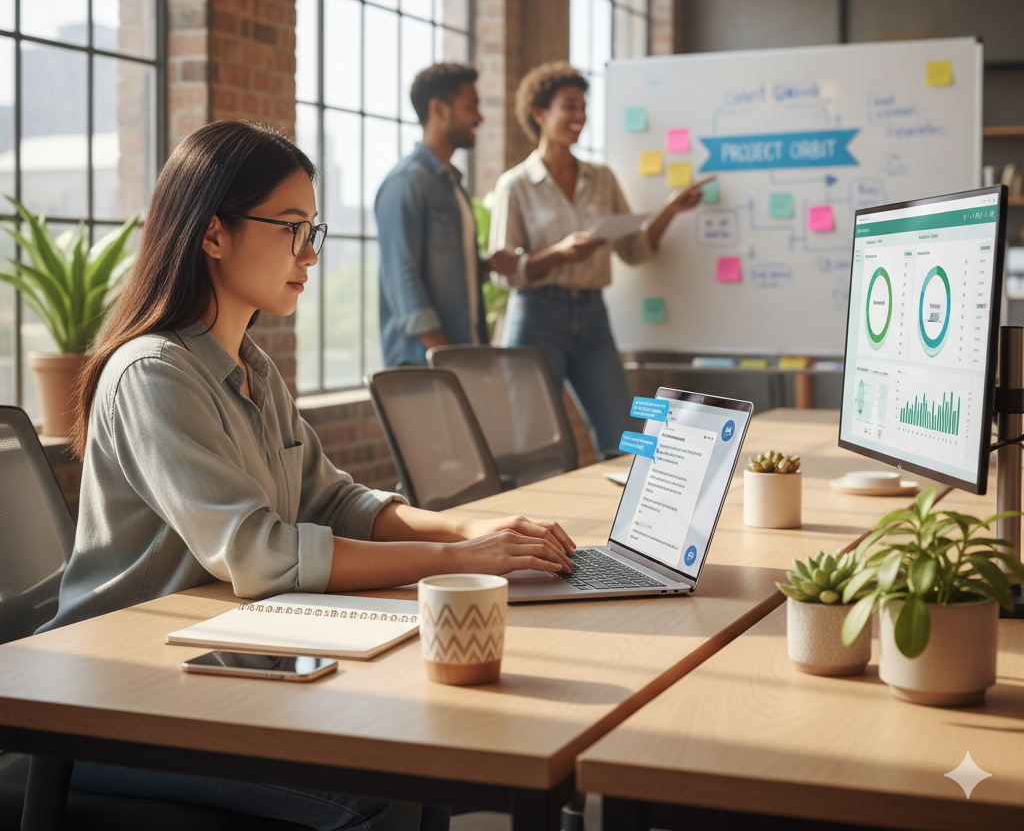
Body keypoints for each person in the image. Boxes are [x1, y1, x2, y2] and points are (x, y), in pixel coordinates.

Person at [41, 119, 576, 831]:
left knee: (417, 753)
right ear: (213, 234)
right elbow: (260, 553)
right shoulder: (152, 373)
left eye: (313, 231)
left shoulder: (251, 367)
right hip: (112, 701)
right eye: (292, 228)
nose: (310, 254)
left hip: (216, 665)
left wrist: (471, 529)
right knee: (383, 789)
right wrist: (460, 561)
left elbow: (334, 500)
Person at [489, 62, 705, 458]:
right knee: (535, 446)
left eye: (583, 107)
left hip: (592, 317)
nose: (580, 116)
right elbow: (506, 275)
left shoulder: (602, 178)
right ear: (540, 113)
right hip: (536, 318)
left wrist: (670, 211)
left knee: (625, 438)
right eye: (569, 106)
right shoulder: (515, 185)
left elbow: (635, 250)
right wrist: (560, 253)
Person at [375, 63, 519, 366]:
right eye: (471, 107)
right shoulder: (406, 183)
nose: (479, 118)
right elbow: (402, 280)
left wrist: (486, 265)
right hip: (425, 367)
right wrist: (446, 358)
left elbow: (444, 270)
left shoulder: (452, 184)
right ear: (438, 109)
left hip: (462, 355)